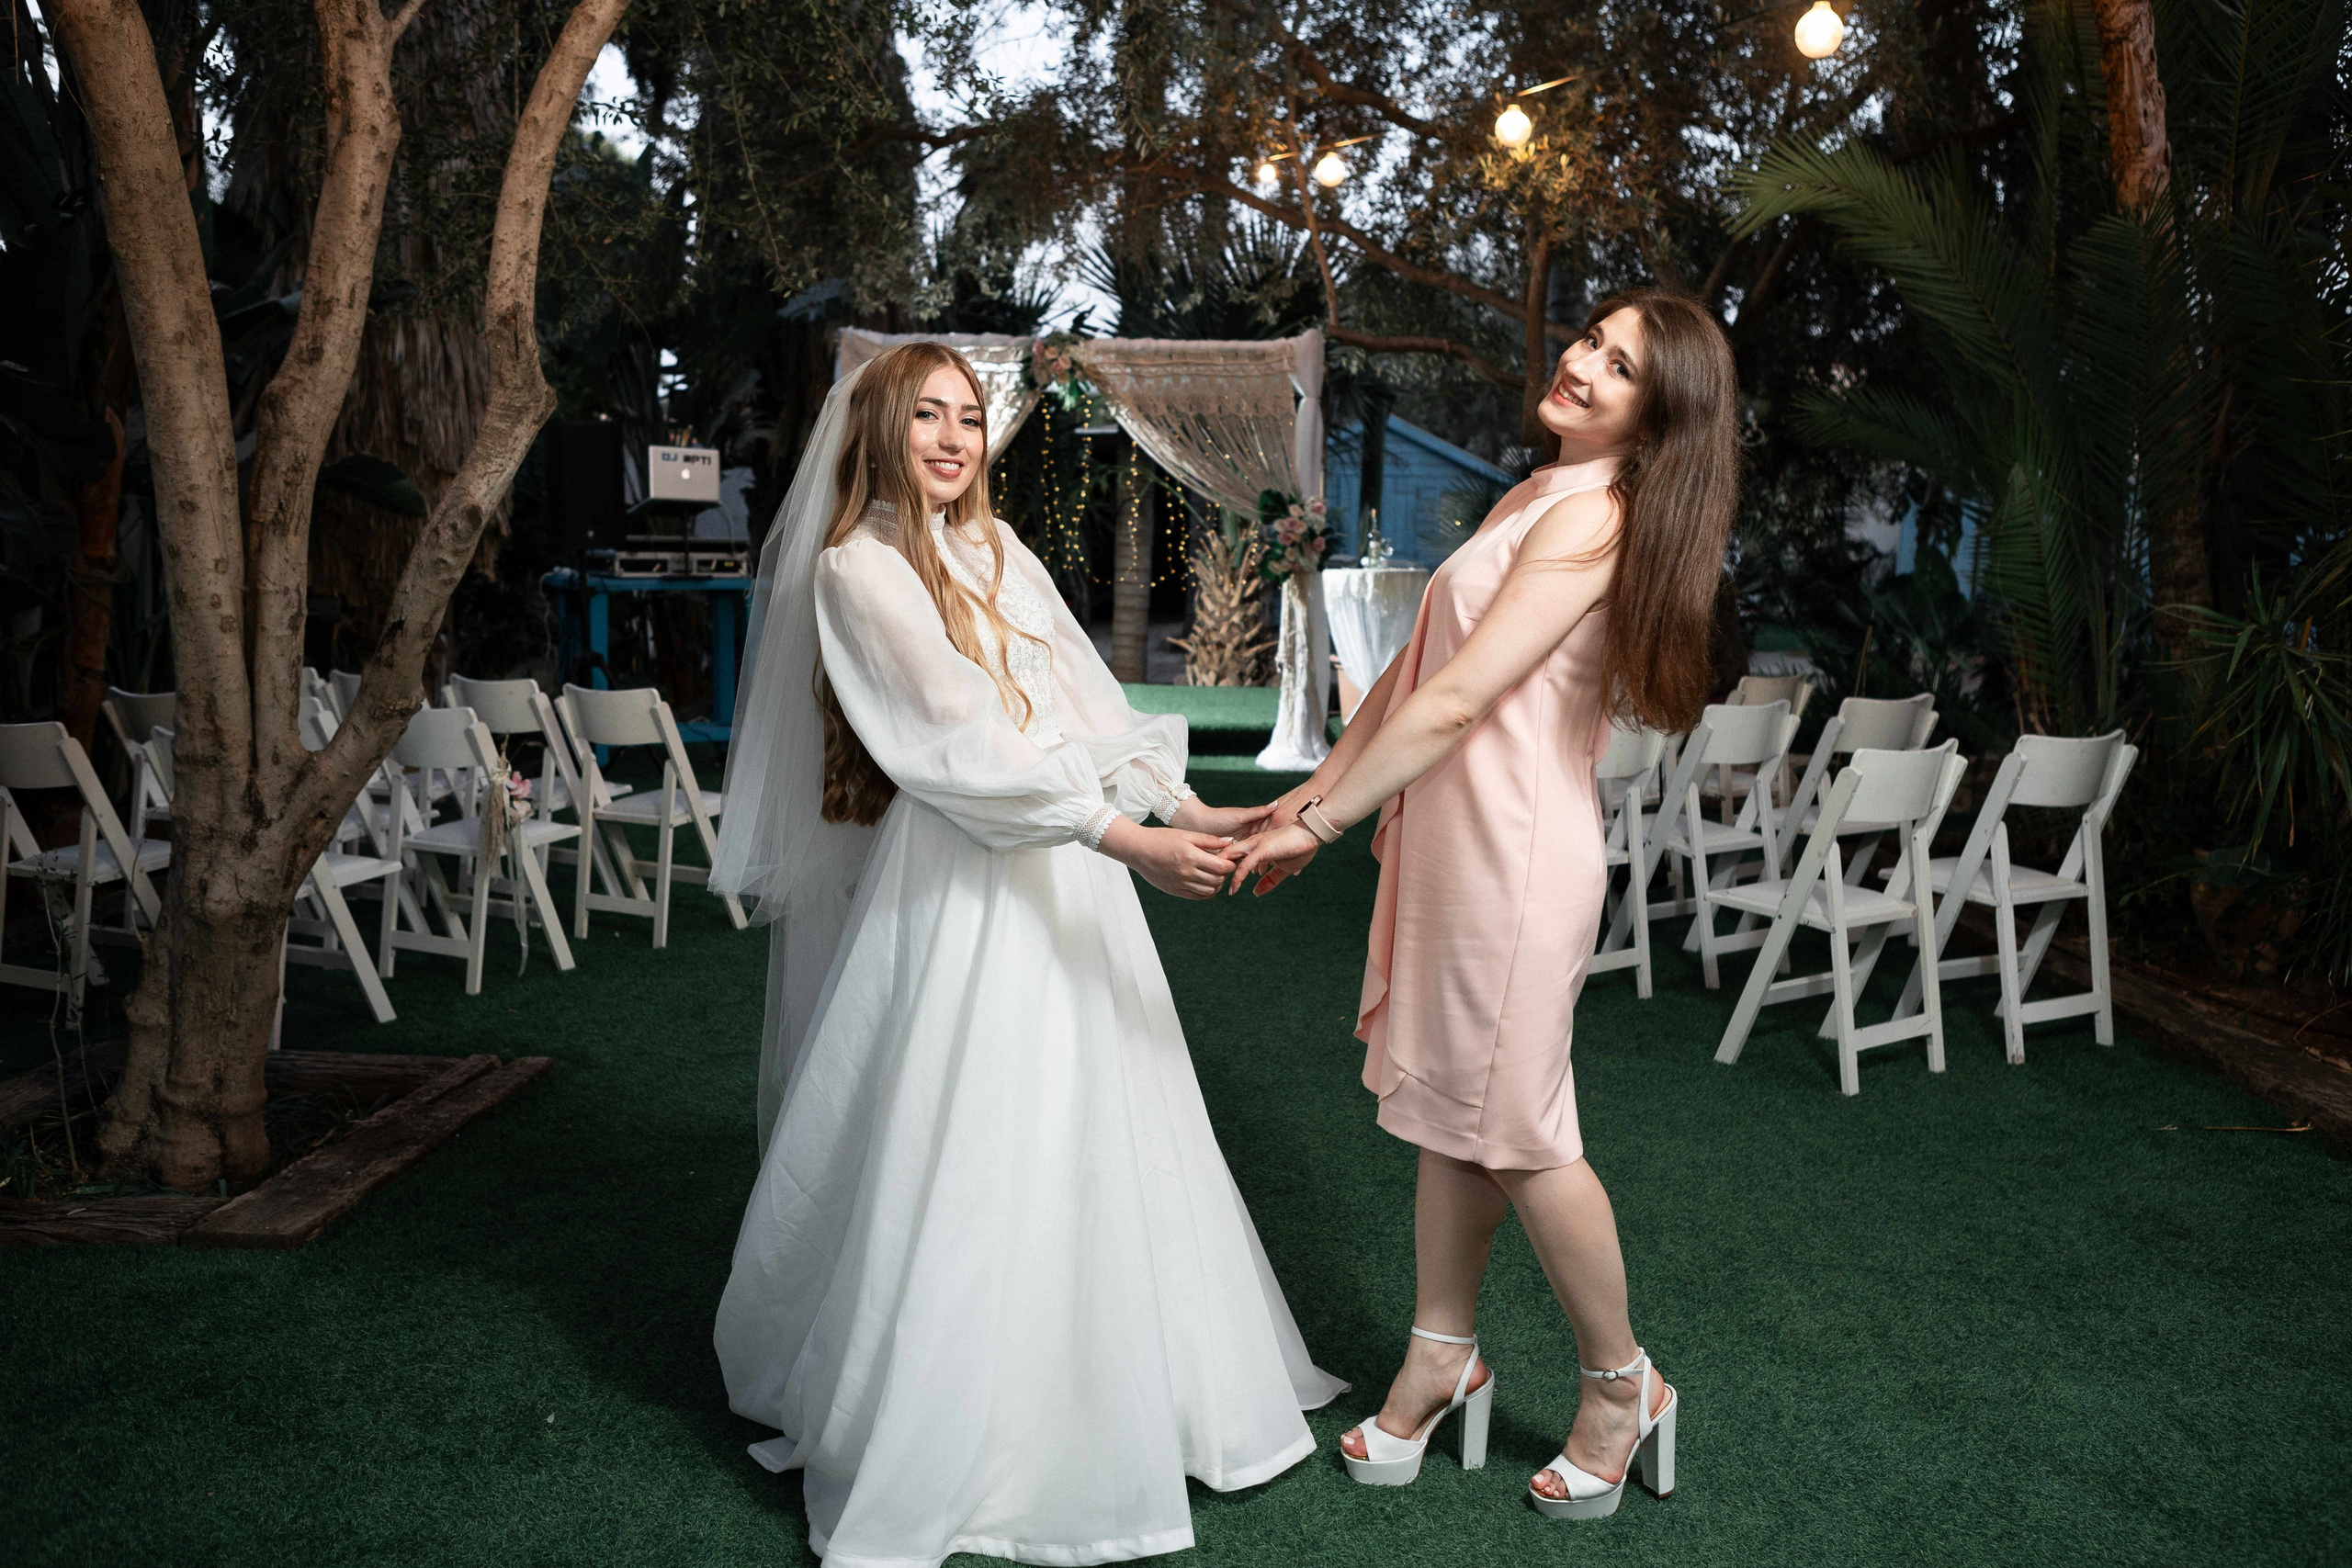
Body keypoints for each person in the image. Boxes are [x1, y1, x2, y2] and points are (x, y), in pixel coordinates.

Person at [708, 342, 1346, 1568]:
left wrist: (1191, 809)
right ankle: (971, 1426)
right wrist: (1123, 840)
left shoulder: (1001, 549)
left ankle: (1134, 1395)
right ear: (878, 429)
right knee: (972, 1130)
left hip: (1071, 867)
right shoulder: (856, 569)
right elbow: (953, 748)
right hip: (965, 878)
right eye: (926, 416)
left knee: (1111, 1104)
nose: (952, 438)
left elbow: (1086, 700)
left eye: (967, 417)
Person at [1227, 289, 1739, 1519]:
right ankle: (1441, 1356)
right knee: (1452, 1120)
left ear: (1660, 416)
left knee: (1522, 1133)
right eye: (1588, 339)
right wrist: (1301, 801)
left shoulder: (1601, 517)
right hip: (1455, 847)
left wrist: (1319, 827)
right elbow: (1407, 683)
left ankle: (1625, 1388)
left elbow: (1457, 707)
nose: (1580, 364)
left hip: (1516, 861)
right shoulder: (1533, 494)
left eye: (1619, 366)